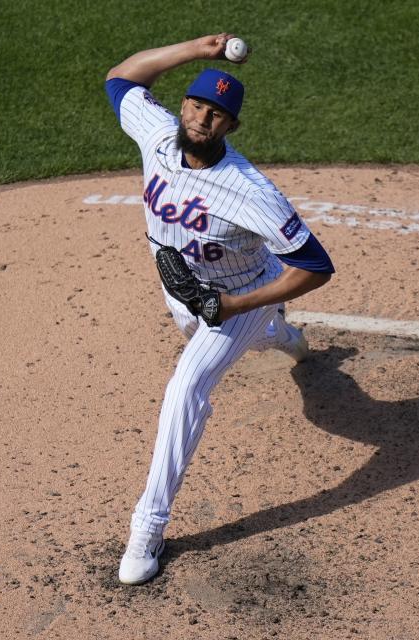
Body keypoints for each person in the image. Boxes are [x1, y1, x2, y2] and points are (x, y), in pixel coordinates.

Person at [105, 33, 335, 585]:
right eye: (198, 104)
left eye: (217, 114)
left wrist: (235, 305)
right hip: (184, 292)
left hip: (239, 296)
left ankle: (148, 526)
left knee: (187, 387)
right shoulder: (159, 135)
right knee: (226, 336)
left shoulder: (251, 192)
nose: (204, 118)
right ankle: (282, 337)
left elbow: (315, 266)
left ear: (231, 127)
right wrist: (197, 48)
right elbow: (121, 78)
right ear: (183, 105)